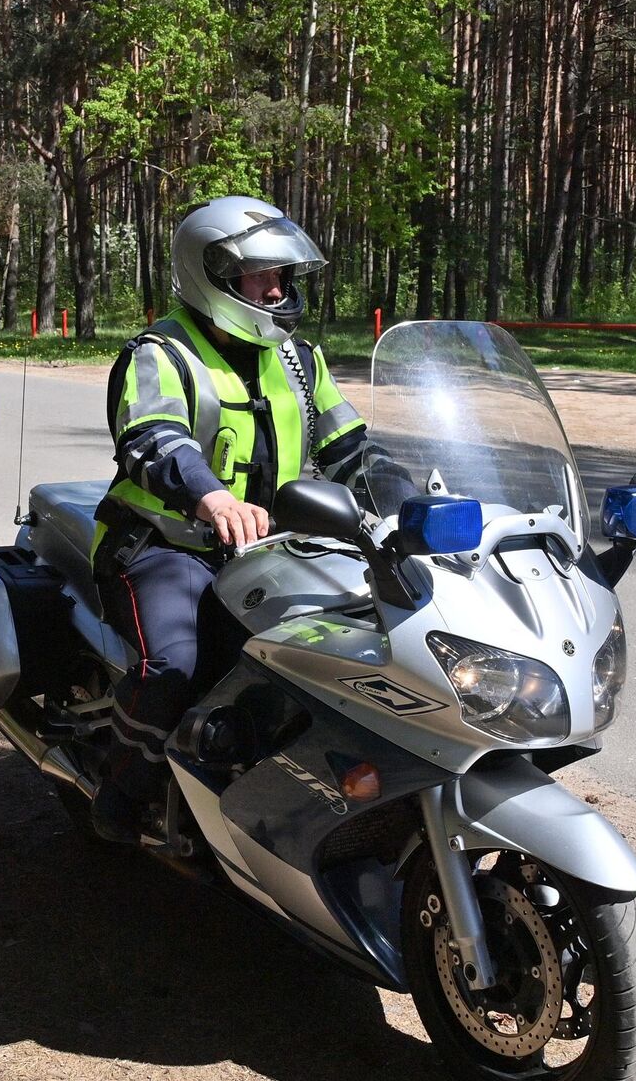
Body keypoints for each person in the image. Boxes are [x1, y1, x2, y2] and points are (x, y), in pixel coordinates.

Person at [90, 195, 406, 843]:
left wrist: (415, 504)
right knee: (175, 666)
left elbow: (352, 449)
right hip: (164, 545)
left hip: (274, 550)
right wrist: (211, 497)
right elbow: (154, 439)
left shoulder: (298, 358)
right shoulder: (160, 352)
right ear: (213, 276)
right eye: (260, 275)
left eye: (282, 275)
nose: (276, 289)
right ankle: (120, 790)